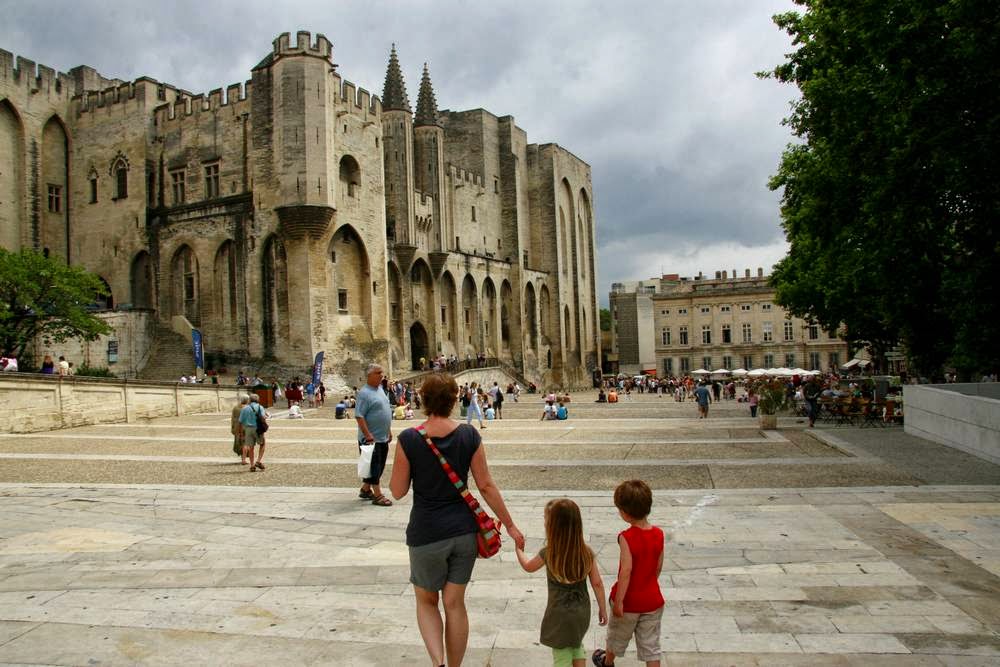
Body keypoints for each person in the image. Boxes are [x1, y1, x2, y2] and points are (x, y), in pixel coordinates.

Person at [389, 372, 525, 667]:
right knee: (455, 604)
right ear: (454, 400)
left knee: (427, 602)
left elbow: (397, 492)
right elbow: (486, 485)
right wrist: (510, 525)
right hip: (464, 533)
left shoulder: (410, 439)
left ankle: (437, 662)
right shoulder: (469, 435)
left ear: (422, 400)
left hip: (426, 533)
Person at [516, 499, 608, 666]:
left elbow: (528, 566)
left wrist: (519, 550)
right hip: (582, 612)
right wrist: (602, 608)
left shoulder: (549, 552)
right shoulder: (586, 552)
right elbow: (597, 583)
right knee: (576, 643)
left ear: (552, 526)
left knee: (561, 655)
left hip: (559, 614)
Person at [592, 480, 665, 667]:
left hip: (629, 602)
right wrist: (648, 583)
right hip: (653, 600)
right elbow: (658, 567)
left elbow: (626, 571)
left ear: (624, 513)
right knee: (651, 646)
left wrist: (619, 602)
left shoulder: (627, 537)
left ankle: (606, 662)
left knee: (616, 637)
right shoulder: (658, 534)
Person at [356, 363, 393, 506]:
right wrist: (367, 434)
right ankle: (378, 495)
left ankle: (365, 489)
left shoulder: (380, 389)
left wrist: (388, 430)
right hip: (371, 438)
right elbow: (359, 416)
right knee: (374, 466)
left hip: (382, 436)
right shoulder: (364, 393)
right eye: (378, 373)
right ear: (369, 375)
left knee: (380, 464)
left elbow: (384, 411)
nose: (381, 375)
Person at [238, 394, 269, 471]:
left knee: (251, 448)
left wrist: (241, 432)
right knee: (262, 444)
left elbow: (240, 422)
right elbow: (263, 417)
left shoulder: (244, 408)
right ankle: (258, 461)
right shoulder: (260, 407)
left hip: (248, 429)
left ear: (250, 400)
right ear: (257, 400)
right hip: (257, 429)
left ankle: (252, 465)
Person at [231, 394, 250, 464]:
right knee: (245, 443)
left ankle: (243, 457)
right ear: (247, 400)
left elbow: (232, 418)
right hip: (245, 427)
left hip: (236, 427)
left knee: (240, 443)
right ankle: (244, 459)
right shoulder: (247, 408)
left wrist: (233, 427)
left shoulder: (235, 407)